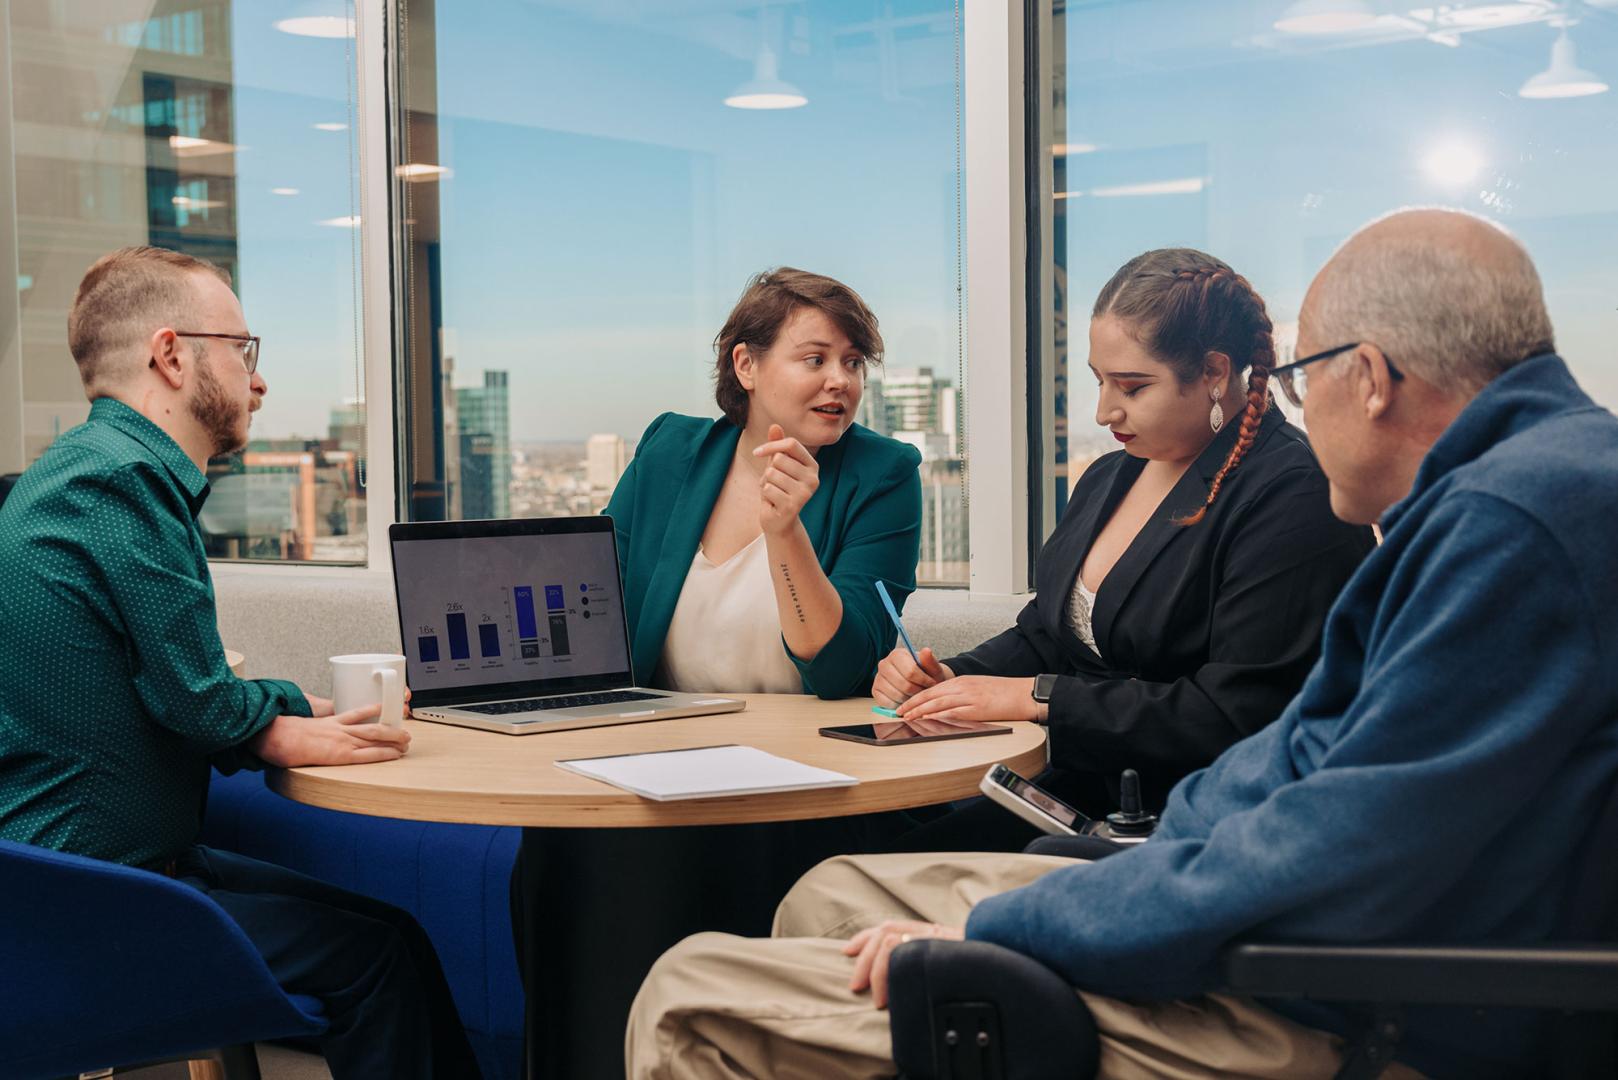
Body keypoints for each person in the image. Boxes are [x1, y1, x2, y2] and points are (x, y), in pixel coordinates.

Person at [625, 208, 1618, 1079]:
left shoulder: (1511, 524)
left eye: (1302, 376)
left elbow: (1336, 840)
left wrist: (1005, 927)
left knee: (690, 992)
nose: (1294, 407)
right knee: (830, 896)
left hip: (1341, 1001)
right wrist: (1122, 868)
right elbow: (1303, 767)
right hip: (1288, 929)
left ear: (1367, 378)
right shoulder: (1524, 493)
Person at [0, 247, 481, 1079]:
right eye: (242, 348)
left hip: (109, 870)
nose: (258, 381)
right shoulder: (117, 483)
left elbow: (187, 688)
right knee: (376, 965)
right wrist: (277, 724)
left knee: (395, 936)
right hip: (81, 893)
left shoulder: (89, 472)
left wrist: (283, 710)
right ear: (171, 354)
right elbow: (200, 704)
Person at [879, 249, 1372, 841]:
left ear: (1215, 373)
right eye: (1099, 380)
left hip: (1192, 820)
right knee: (872, 838)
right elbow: (1046, 632)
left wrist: (1039, 699)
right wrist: (951, 679)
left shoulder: (1293, 495)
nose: (1104, 409)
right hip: (1076, 790)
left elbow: (1239, 715)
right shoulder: (1111, 475)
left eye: (1132, 387)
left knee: (885, 863)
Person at [607, 267, 921, 699]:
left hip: (809, 749)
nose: (841, 381)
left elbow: (842, 670)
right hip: (661, 740)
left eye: (854, 363)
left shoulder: (885, 474)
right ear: (746, 366)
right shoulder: (667, 452)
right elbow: (597, 611)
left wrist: (785, 532)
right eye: (816, 359)